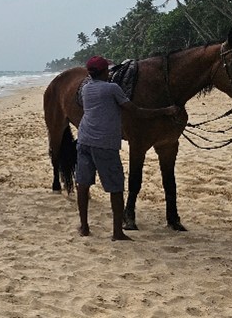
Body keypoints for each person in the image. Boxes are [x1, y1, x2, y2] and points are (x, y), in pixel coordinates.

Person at [76, 55, 178, 241]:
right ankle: (117, 232)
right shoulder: (112, 88)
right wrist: (165, 111)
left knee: (83, 185)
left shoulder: (85, 88)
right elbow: (136, 111)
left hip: (84, 140)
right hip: (105, 143)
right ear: (105, 72)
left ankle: (84, 226)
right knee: (115, 188)